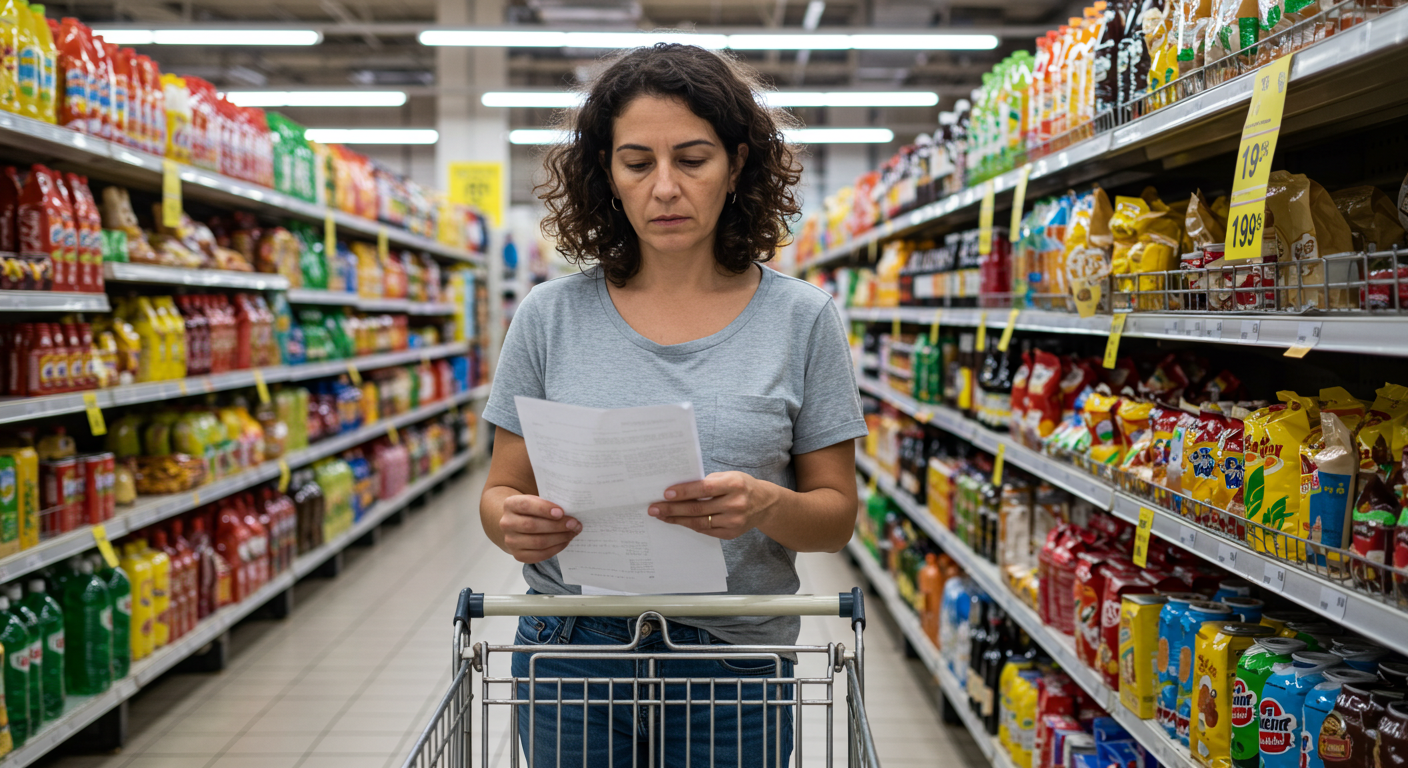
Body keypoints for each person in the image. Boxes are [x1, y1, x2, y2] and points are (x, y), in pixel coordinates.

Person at [479, 42, 867, 766]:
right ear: (607, 173)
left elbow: (835, 517)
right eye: (637, 162)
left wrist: (764, 505)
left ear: (738, 164)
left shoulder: (803, 319)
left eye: (692, 159)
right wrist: (513, 523)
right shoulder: (548, 315)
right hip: (572, 656)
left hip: (735, 666)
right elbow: (501, 490)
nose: (664, 187)